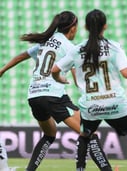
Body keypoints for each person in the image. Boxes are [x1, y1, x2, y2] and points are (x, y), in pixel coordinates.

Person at [0, 11, 106, 171]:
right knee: (90, 133)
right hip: (53, 95)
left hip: (34, 95)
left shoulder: (45, 42)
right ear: (72, 28)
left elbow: (21, 57)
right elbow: (75, 72)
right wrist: (86, 92)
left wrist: (2, 70)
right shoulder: (70, 47)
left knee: (49, 135)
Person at [51, 9, 127, 171]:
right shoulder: (114, 47)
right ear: (105, 26)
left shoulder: (76, 50)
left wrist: (59, 79)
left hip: (91, 106)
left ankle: (80, 169)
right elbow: (126, 74)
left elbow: (54, 70)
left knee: (85, 135)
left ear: (86, 27)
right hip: (116, 103)